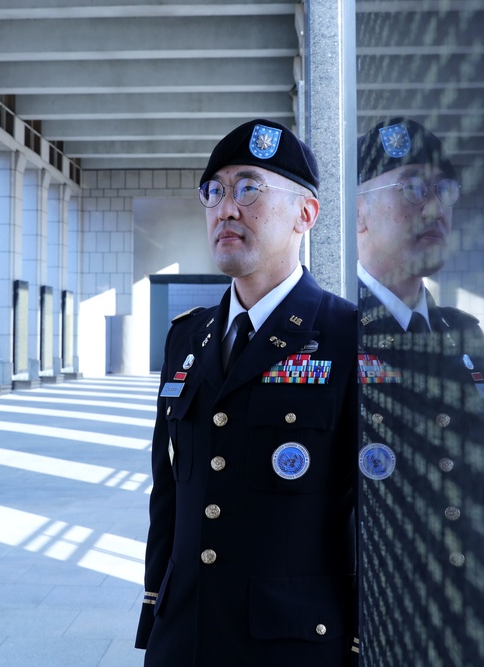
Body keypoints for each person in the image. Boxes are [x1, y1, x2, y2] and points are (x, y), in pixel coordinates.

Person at [135, 119, 359, 665]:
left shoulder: (347, 336)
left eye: (249, 188)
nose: (225, 208)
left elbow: (366, 515)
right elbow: (169, 494)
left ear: (306, 215)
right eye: (214, 191)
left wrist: (362, 644)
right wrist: (154, 614)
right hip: (183, 637)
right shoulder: (188, 336)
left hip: (292, 646)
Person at [355, 117, 484, 666]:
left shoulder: (462, 333)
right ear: (357, 213)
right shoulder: (323, 333)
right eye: (413, 188)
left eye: (444, 189)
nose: (436, 209)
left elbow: (481, 504)